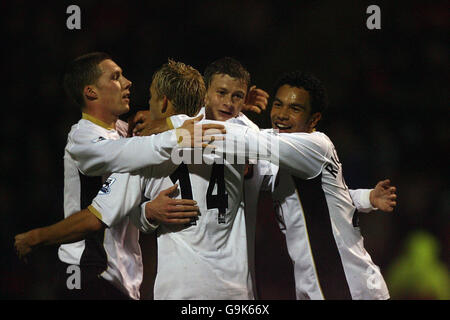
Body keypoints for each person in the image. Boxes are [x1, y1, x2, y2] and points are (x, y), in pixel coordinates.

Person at [14, 54, 223, 299]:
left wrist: (224, 110)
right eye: (115, 77)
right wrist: (35, 237)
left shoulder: (127, 132)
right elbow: (123, 160)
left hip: (123, 279)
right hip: (87, 270)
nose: (127, 82)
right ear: (91, 92)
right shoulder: (82, 139)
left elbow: (124, 196)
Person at [242, 70, 396, 299]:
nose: (282, 115)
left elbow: (244, 141)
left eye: (295, 109)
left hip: (345, 285)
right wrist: (366, 197)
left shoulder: (313, 145)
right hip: (317, 283)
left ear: (313, 119)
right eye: (278, 104)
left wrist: (234, 115)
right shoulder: (282, 155)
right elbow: (330, 200)